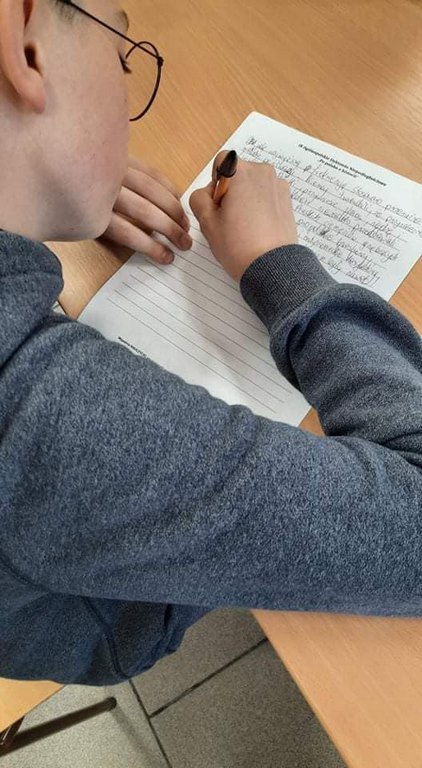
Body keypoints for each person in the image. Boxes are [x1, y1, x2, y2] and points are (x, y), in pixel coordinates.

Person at [0, 0, 421, 687]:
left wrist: (37, 179)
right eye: (120, 55)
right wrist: (277, 265)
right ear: (23, 48)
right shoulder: (52, 425)